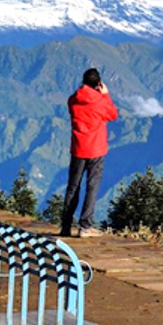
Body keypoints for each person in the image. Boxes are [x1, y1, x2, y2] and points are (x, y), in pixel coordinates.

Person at [60, 68, 118, 238]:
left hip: (78, 148)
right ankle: (85, 226)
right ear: (98, 84)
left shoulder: (73, 100)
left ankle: (65, 226)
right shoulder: (100, 101)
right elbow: (113, 115)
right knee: (92, 187)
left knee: (73, 187)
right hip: (96, 149)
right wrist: (105, 95)